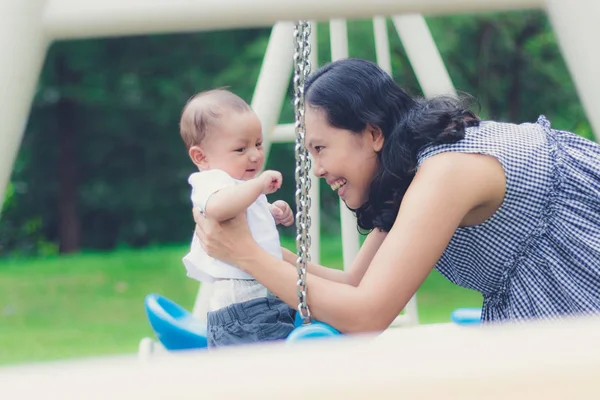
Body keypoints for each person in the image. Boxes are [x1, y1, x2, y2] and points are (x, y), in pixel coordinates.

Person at [192, 58, 600, 334]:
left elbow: (368, 313)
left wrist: (246, 255)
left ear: (372, 133)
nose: (316, 169)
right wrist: (254, 248)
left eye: (320, 149)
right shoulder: (409, 173)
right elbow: (355, 283)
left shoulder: (446, 172)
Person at [179, 88, 296, 347]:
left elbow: (247, 217)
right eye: (241, 148)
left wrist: (272, 211)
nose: (254, 155)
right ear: (201, 157)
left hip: (260, 296)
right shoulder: (211, 180)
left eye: (257, 144)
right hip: (242, 309)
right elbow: (219, 208)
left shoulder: (240, 184)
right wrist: (258, 186)